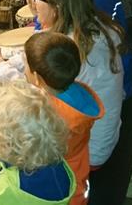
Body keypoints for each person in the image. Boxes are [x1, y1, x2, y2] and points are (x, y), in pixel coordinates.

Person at [0, 0, 126, 169]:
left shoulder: (70, 49)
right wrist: (10, 62)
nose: (34, 2)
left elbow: (35, 97)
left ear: (57, 9)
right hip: (99, 135)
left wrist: (0, 69)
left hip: (87, 151)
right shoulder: (90, 27)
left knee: (9, 131)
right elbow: (41, 51)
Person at [22, 31, 104, 205]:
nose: (24, 70)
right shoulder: (78, 93)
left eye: (25, 65)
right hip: (79, 179)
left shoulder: (46, 117)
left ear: (36, 77)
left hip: (61, 192)